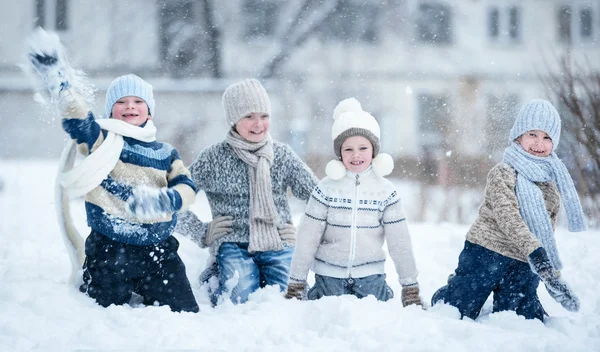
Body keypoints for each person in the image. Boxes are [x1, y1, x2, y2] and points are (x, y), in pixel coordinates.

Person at [431, 99, 586, 321]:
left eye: (547, 137)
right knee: (459, 309)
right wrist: (537, 253)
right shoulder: (502, 173)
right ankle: (452, 292)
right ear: (518, 136)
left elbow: (545, 232)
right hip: (486, 252)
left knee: (522, 318)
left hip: (523, 261)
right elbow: (508, 218)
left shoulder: (551, 184)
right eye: (532, 134)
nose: (539, 143)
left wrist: (550, 273)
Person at [58, 74, 199, 312]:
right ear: (111, 111)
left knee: (183, 310)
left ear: (150, 111)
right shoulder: (102, 142)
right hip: (110, 249)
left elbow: (187, 187)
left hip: (158, 249)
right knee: (102, 311)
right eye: (121, 101)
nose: (130, 106)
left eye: (138, 101)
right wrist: (62, 88)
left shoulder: (165, 152)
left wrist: (167, 199)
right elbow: (80, 121)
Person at [176, 78, 317, 305]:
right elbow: (172, 201)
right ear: (233, 120)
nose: (258, 124)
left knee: (292, 298)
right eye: (249, 116)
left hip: (278, 241)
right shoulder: (213, 158)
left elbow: (320, 199)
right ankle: (215, 275)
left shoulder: (282, 155)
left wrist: (303, 232)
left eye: (264, 116)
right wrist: (201, 231)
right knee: (239, 297)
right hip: (233, 244)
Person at [284, 98, 422, 306]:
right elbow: (307, 237)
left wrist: (410, 286)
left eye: (363, 148)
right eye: (348, 149)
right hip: (329, 277)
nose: (356, 155)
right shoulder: (326, 189)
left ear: (374, 150)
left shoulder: (386, 192)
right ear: (339, 153)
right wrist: (296, 282)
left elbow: (399, 241)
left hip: (370, 278)